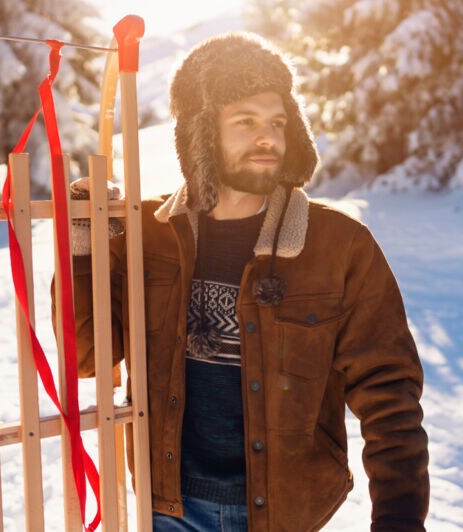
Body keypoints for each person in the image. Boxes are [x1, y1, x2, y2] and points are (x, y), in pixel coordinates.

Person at [56, 32, 429, 531]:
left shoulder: (339, 246)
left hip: (287, 514)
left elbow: (390, 394)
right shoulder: (150, 233)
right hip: (168, 508)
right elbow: (88, 355)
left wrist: (400, 520)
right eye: (245, 121)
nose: (268, 138)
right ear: (202, 134)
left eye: (277, 122)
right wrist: (85, 239)